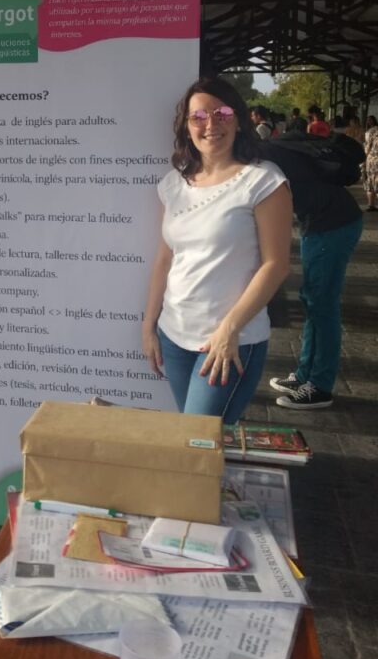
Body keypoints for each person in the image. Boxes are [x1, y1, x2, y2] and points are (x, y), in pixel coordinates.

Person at [142, 77, 292, 423]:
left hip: (230, 342)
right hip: (174, 336)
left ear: (239, 120)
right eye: (199, 116)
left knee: (198, 441)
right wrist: (149, 325)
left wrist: (229, 330)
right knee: (195, 443)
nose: (211, 124)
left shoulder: (263, 181)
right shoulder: (172, 184)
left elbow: (276, 265)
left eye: (222, 113)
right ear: (186, 126)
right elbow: (165, 259)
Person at [264, 138, 363, 409]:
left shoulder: (261, 161)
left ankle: (319, 386)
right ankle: (304, 375)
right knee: (312, 300)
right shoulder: (264, 150)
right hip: (321, 222)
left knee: (323, 305)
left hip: (333, 224)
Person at [363, 114, 378, 212]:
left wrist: (363, 160)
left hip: (372, 159)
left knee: (370, 181)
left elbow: (367, 147)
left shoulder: (371, 131)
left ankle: (371, 205)